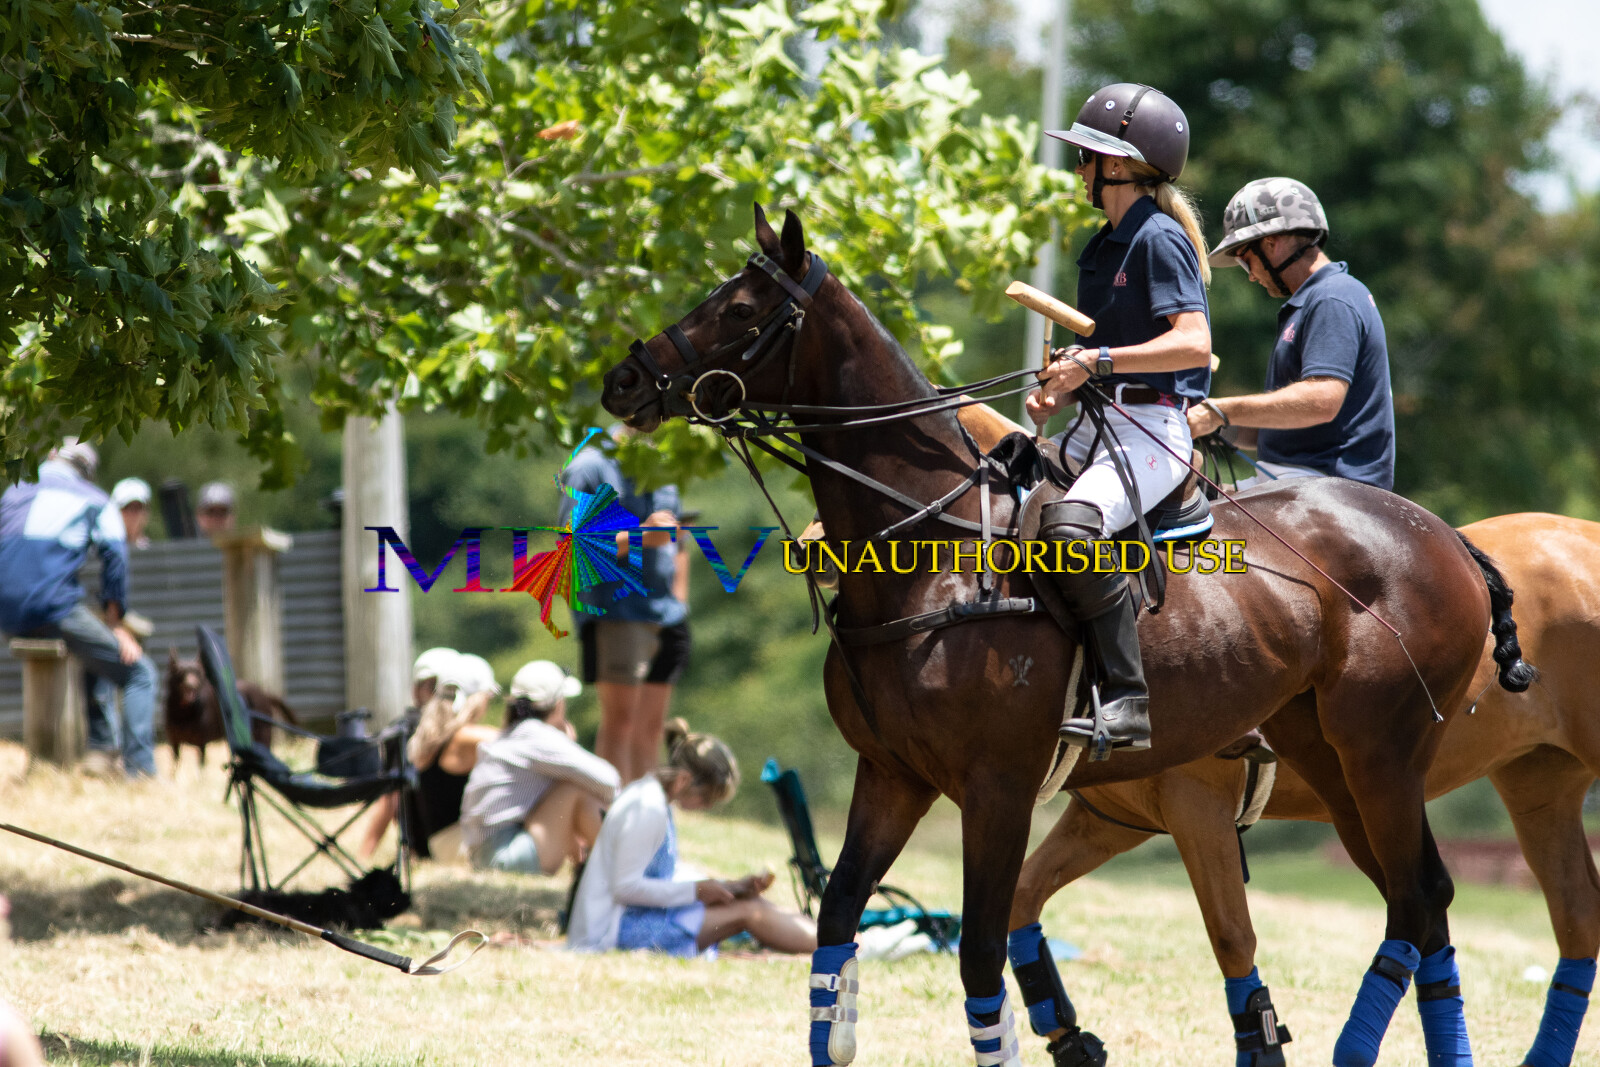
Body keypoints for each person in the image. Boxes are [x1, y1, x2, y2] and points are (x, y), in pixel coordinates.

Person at [1026, 83, 1214, 751]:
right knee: (1004, 479)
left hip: (1152, 431)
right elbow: (1101, 359)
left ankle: (1128, 699)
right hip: (1099, 424)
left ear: (1116, 165)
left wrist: (1096, 361)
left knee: (1070, 531)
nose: (1078, 170)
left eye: (1084, 157)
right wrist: (1061, 389)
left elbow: (1194, 343)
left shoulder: (1158, 239)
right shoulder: (1104, 246)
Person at [1187, 177, 1397, 490]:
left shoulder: (1332, 297)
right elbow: (1282, 428)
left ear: (1272, 243)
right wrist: (1213, 425)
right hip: (1298, 483)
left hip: (1327, 489)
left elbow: (1321, 401)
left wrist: (1221, 411)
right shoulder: (1315, 298)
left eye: (1245, 260)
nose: (1251, 276)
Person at [567, 721, 817, 957]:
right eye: (706, 798)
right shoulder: (647, 809)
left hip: (635, 917)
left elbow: (659, 874)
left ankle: (830, 938)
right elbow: (625, 888)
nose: (707, 807)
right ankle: (833, 946)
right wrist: (696, 891)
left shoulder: (656, 800)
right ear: (684, 779)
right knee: (750, 912)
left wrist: (728, 887)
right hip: (616, 931)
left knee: (749, 900)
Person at [0, 440, 159, 778]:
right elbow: (115, 558)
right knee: (139, 673)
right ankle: (140, 772)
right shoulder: (94, 499)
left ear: (52, 458)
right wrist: (116, 622)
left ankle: (100, 752)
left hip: (5, 612)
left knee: (92, 648)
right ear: (88, 472)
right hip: (51, 608)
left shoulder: (13, 492)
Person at [562, 428, 691, 784]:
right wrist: (642, 536)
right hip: (617, 614)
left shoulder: (664, 462)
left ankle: (645, 813)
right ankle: (613, 812)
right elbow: (574, 547)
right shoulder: (589, 467)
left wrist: (680, 599)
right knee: (621, 725)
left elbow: (680, 537)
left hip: (667, 613)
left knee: (650, 729)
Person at [458, 662, 618, 875]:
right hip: (505, 858)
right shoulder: (538, 736)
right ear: (558, 704)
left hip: (486, 855)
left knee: (567, 787)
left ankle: (588, 867)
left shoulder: (513, 734)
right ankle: (620, 866)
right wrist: (568, 744)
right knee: (573, 790)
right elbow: (610, 781)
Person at [110, 478, 152, 549]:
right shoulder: (105, 551)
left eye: (137, 508)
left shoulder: (154, 552)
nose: (132, 514)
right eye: (126, 508)